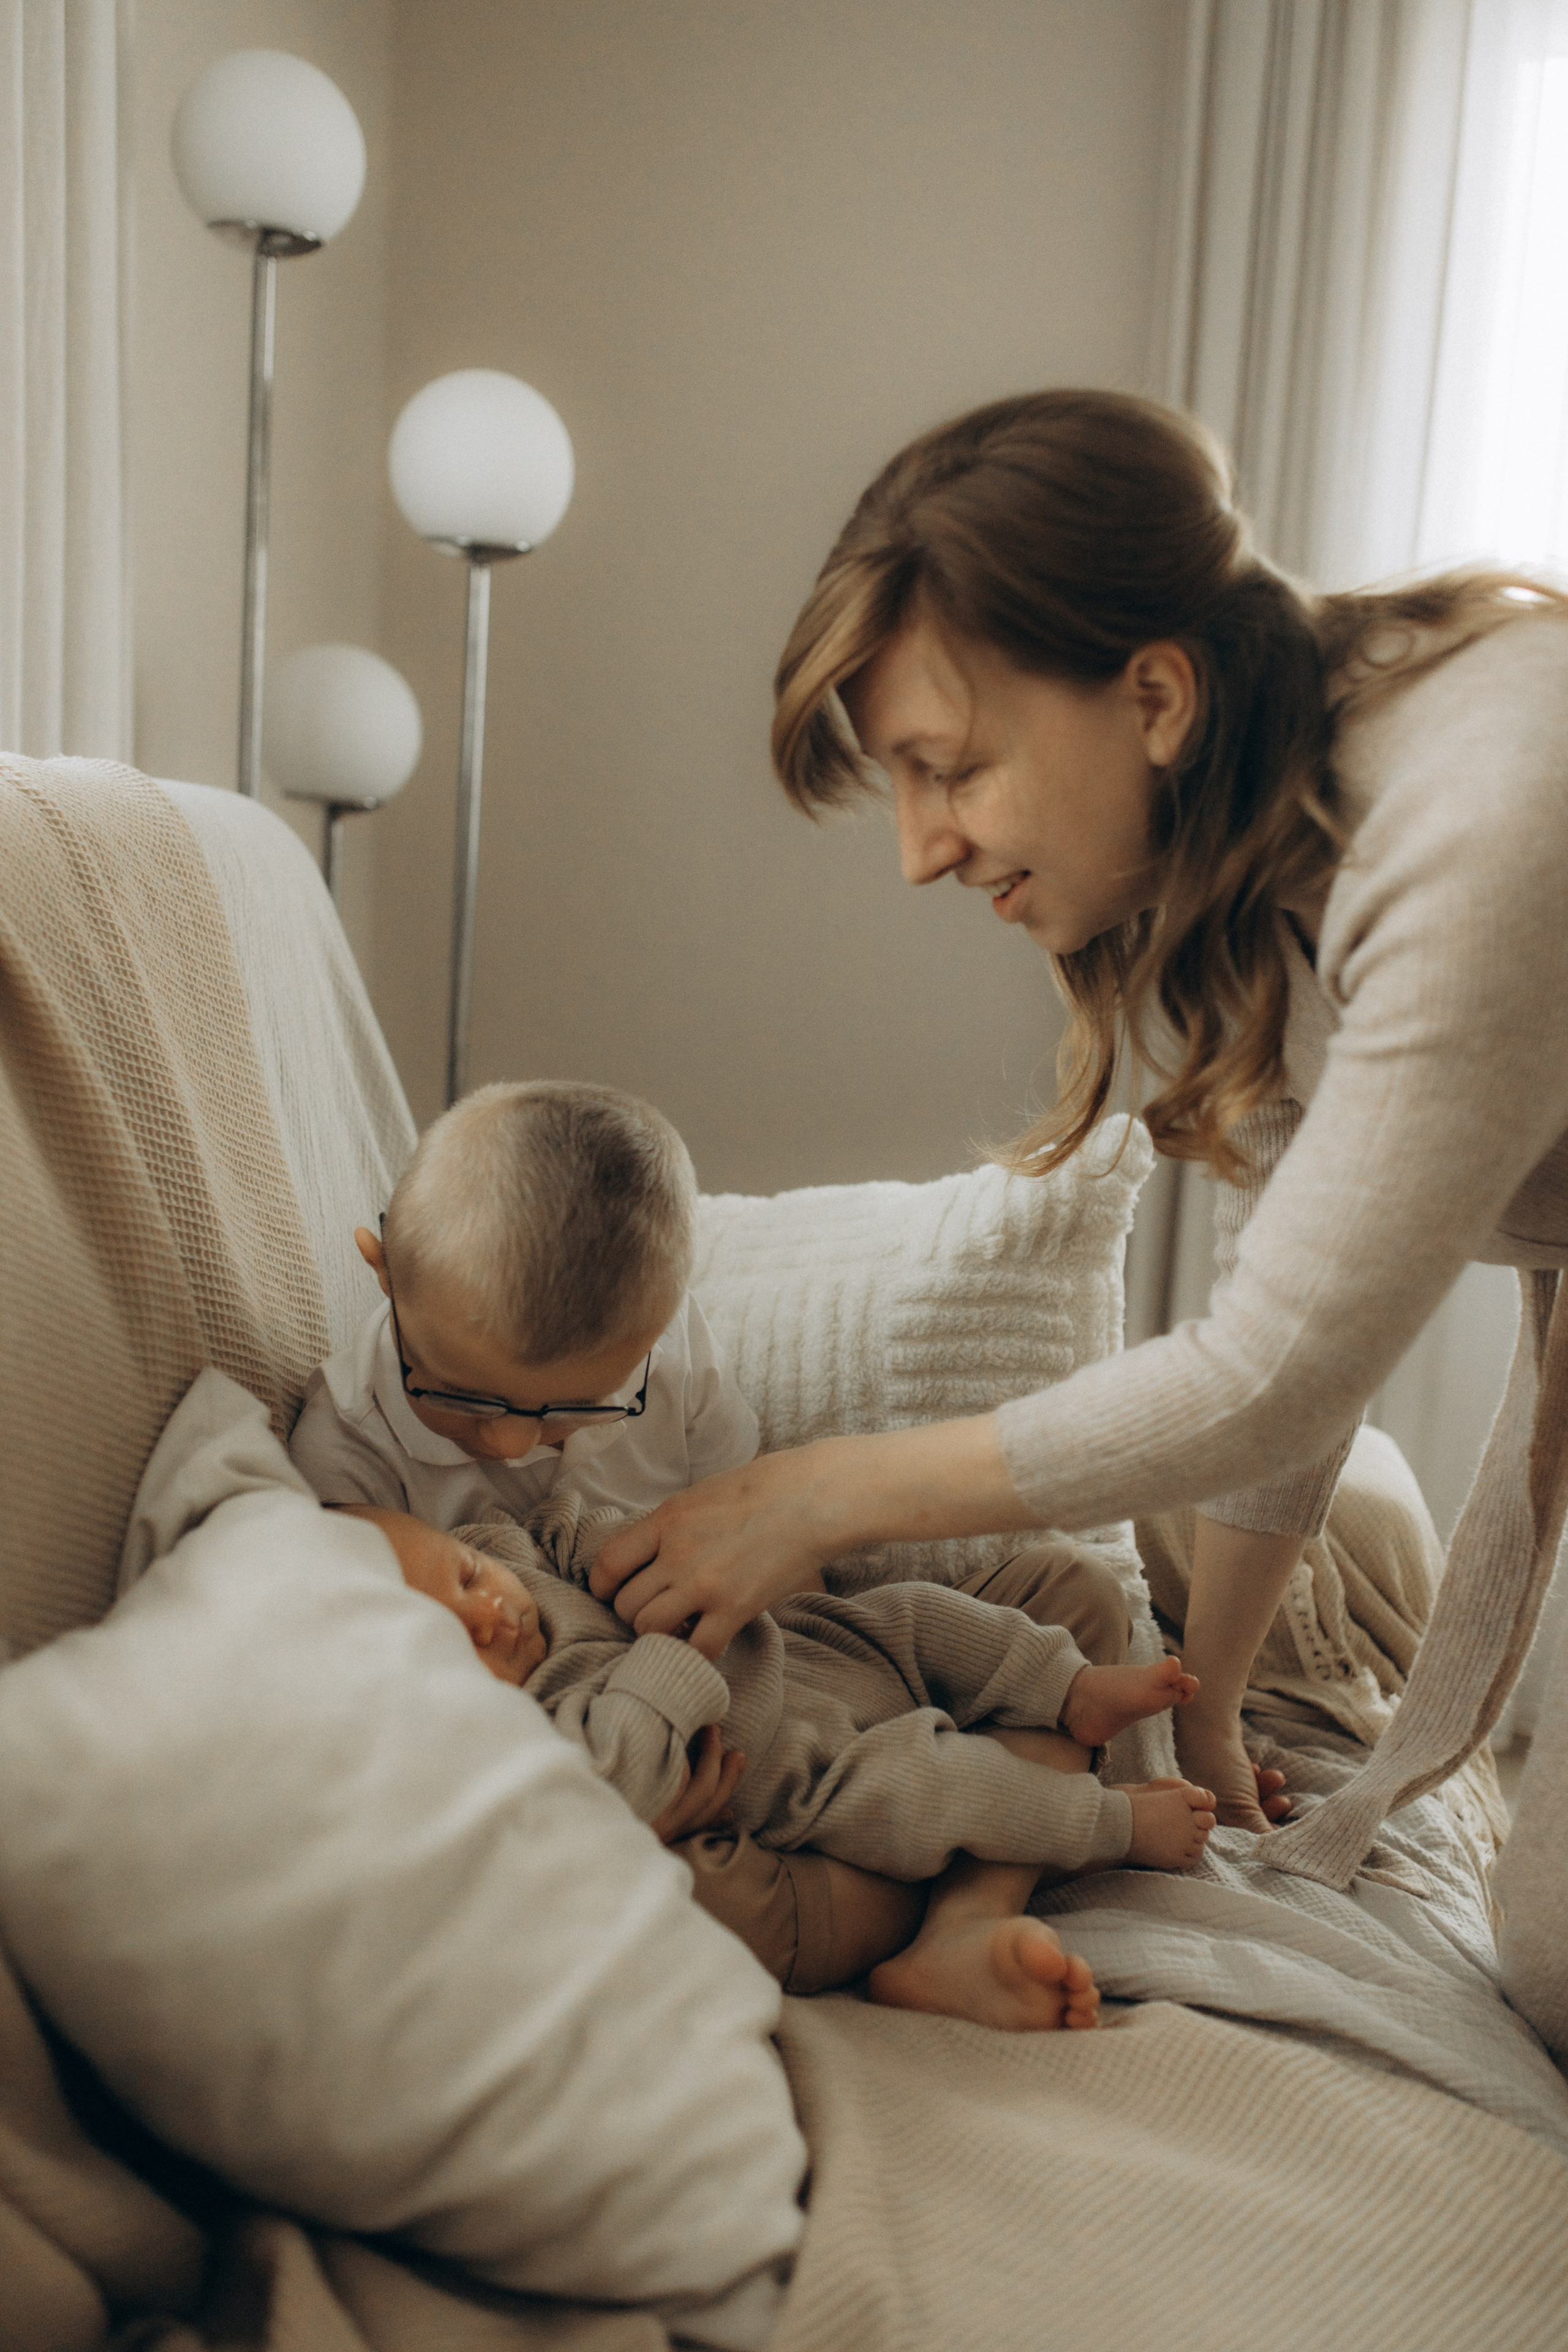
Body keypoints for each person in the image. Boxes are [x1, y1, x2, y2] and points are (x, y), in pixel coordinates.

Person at [585, 389, 1568, 1965]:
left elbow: (1264, 1374)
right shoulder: (1248, 866)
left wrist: (813, 1495)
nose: (916, 850)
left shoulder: (1485, 811)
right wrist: (1211, 1713)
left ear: (1157, 694)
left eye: (948, 769)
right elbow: (1292, 1353)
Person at [289, 1072, 1181, 2027]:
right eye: (462, 1396)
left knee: (1074, 1593)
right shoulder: (343, 1469)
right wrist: (622, 1817)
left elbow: (783, 1559)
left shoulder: (668, 1354)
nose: (510, 1447)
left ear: (656, 1330)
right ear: (382, 1270)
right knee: (687, 1893)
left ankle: (963, 1900)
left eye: (576, 1414)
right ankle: (974, 1872)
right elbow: (392, 1745)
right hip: (697, 1789)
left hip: (798, 1658)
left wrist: (857, 1663)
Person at [346, 1495, 1217, 2032]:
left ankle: (975, 1874)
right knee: (922, 1787)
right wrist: (667, 1652)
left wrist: (634, 1554)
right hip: (813, 1784)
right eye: (457, 1643)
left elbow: (582, 1533)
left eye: (466, 1581)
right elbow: (607, 1780)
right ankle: (1102, 1825)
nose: (491, 1619)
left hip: (817, 1646)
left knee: (1065, 1588)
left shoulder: (505, 1550)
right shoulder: (526, 1732)